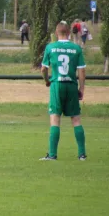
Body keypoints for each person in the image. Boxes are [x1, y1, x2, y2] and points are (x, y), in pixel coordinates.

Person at [39, 22, 87, 161]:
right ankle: (82, 154)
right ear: (69, 33)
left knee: (55, 118)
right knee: (76, 119)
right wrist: (81, 88)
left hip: (57, 84)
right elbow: (82, 70)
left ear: (56, 32)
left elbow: (43, 69)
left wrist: (46, 80)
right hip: (71, 85)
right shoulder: (76, 48)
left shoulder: (51, 47)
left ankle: (52, 155)